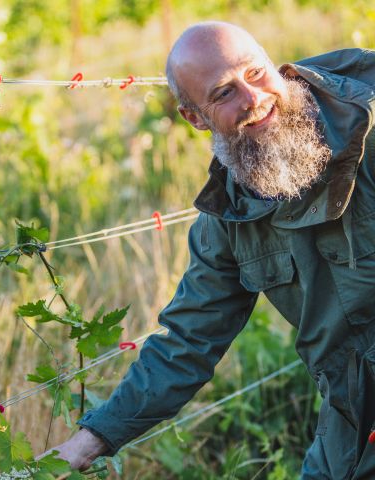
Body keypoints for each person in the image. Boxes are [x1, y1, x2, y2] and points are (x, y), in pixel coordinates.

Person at [50, 21, 375, 478]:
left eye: (256, 73)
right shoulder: (229, 216)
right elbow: (190, 339)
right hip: (351, 420)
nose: (253, 98)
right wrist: (90, 440)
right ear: (194, 117)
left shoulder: (368, 129)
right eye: (223, 92)